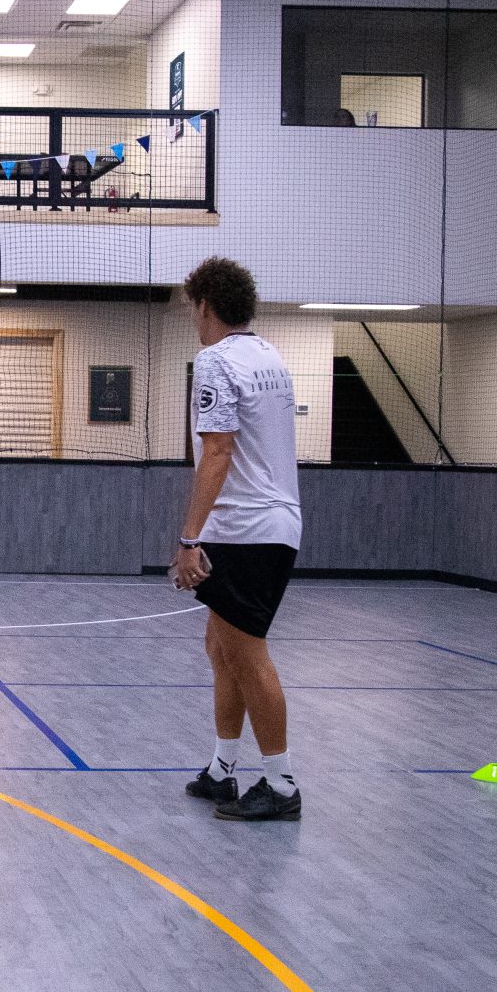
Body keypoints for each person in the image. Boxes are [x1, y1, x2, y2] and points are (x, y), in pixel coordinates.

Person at [171, 257, 305, 822]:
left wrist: (189, 538)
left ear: (205, 305)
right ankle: (223, 769)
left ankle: (281, 784)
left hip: (245, 529)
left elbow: (218, 450)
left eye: (192, 308)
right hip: (269, 524)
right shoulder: (269, 357)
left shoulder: (216, 360)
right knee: (221, 647)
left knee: (247, 655)